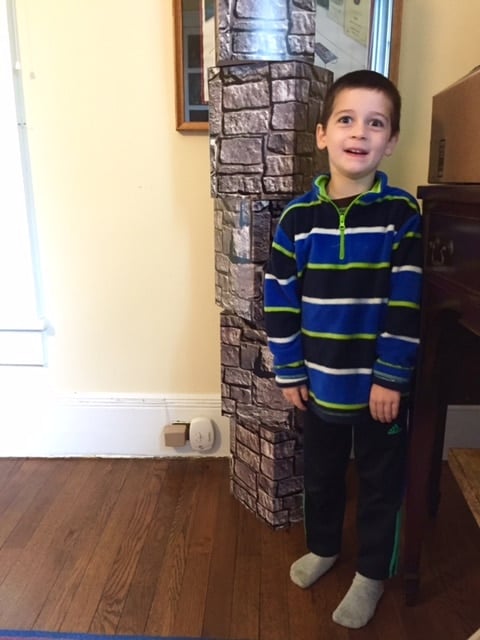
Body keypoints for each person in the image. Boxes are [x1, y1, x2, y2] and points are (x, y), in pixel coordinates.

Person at [264, 69, 422, 629]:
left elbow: (407, 300)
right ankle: (325, 546)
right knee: (322, 474)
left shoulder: (401, 215)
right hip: (318, 383)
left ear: (391, 140)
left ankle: (372, 573)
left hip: (380, 390)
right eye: (347, 120)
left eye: (375, 123)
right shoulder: (297, 220)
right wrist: (289, 370)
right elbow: (279, 298)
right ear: (323, 134)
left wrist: (391, 377)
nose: (360, 132)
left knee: (380, 483)